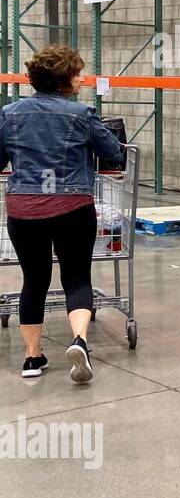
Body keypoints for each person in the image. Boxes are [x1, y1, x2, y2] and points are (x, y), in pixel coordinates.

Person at [0, 45, 124, 382]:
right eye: (77, 74)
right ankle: (80, 341)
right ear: (64, 80)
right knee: (77, 277)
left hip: (23, 209)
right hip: (72, 207)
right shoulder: (82, 114)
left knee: (34, 281)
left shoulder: (9, 113)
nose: (82, 79)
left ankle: (31, 358)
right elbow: (114, 152)